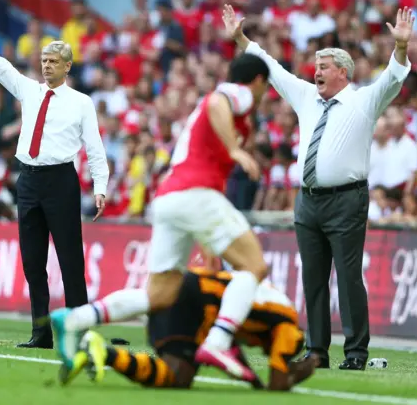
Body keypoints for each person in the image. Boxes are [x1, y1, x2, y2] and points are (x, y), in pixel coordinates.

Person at [49, 53, 271, 381]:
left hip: (171, 198)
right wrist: (236, 150)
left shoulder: (233, 116)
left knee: (160, 295)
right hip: (194, 193)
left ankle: (75, 319)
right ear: (258, 82)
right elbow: (216, 102)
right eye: (265, 87)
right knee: (253, 266)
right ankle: (220, 341)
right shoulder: (238, 94)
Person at [223, 4, 414, 370]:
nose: (316, 72)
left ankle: (356, 353)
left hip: (346, 199)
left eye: (323, 67)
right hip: (307, 201)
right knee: (312, 279)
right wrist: (241, 39)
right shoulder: (307, 97)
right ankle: (317, 351)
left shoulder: (363, 101)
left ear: (342, 72)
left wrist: (401, 47)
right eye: (316, 66)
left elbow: (392, 77)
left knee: (347, 278)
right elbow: (271, 68)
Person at [0, 1, 109, 349]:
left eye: (53, 61)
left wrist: (101, 186)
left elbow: (94, 149)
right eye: (44, 60)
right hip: (29, 181)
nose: (46, 66)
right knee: (33, 263)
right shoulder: (29, 90)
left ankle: (79, 332)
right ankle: (41, 332)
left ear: (67, 66)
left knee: (70, 262)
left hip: (61, 181)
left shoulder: (81, 102)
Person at [63, 268, 316, 391]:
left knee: (176, 378)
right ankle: (92, 336)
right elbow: (278, 382)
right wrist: (297, 373)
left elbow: (237, 356)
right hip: (195, 303)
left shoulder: (270, 308)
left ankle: (102, 351)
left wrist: (254, 383)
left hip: (194, 299)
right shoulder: (289, 328)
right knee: (178, 376)